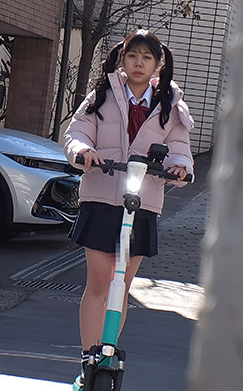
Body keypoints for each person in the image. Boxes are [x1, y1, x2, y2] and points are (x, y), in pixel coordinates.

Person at [63, 29, 194, 387]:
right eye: (133, 55)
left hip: (143, 202)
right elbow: (77, 134)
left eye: (147, 58)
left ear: (158, 64)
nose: (139, 63)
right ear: (123, 58)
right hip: (103, 197)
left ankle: (107, 352)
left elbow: (180, 148)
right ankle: (88, 359)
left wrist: (181, 167)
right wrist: (83, 152)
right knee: (100, 283)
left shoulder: (170, 105)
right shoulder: (102, 95)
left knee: (123, 282)